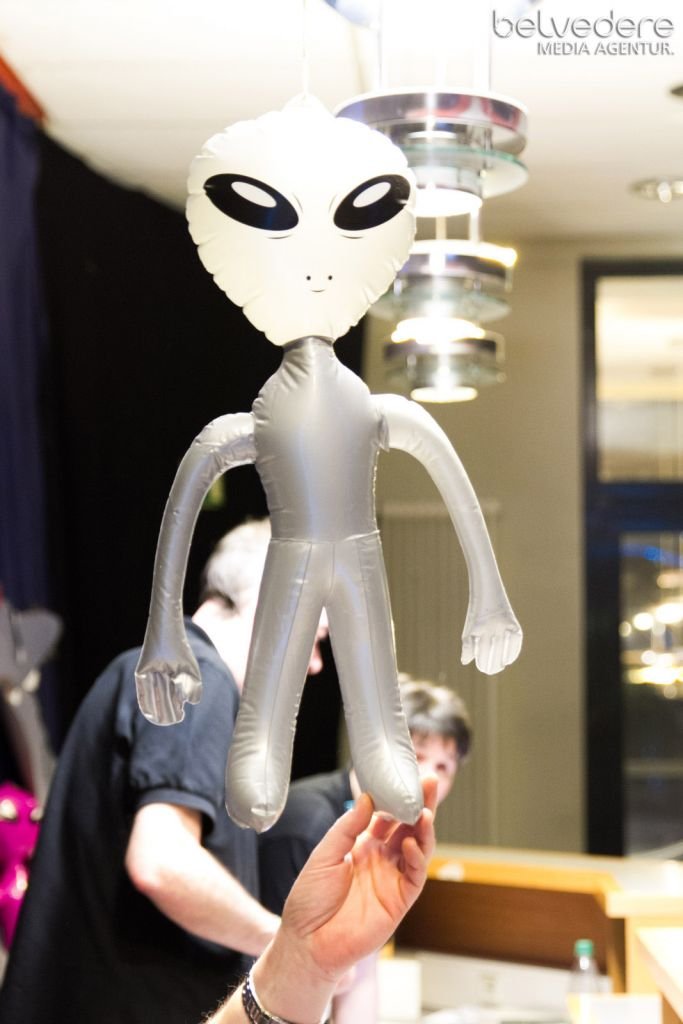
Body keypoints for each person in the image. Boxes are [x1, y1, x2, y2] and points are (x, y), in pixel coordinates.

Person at [0, 518, 327, 1024]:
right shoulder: (195, 679)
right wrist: (286, 945)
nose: (315, 663)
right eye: (315, 637)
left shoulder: (163, 671)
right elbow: (162, 862)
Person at [258, 676, 471, 1023]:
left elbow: (362, 967)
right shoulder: (308, 822)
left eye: (443, 767)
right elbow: (278, 962)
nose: (428, 777)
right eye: (417, 755)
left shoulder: (395, 833)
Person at [207, 776, 437, 1024]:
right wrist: (299, 952)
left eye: (443, 766)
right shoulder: (309, 823)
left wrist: (308, 959)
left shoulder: (373, 857)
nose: (421, 772)